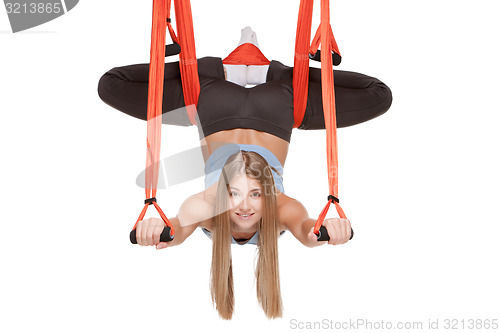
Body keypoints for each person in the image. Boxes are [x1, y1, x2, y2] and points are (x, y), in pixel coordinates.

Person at [98, 27, 389, 319]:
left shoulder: (209, 208)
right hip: (277, 106)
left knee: (111, 85)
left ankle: (227, 70)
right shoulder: (281, 212)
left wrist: (157, 232)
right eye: (256, 193)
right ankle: (269, 73)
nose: (245, 205)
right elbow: (307, 231)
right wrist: (329, 233)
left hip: (214, 101)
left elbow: (177, 229)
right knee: (379, 96)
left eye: (235, 194)